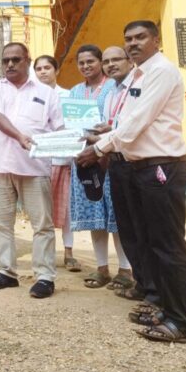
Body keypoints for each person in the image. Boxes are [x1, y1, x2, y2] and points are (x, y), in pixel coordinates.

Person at [78, 21, 186, 343]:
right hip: (139, 166)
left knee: (167, 246)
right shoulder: (139, 76)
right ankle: (163, 307)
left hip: (162, 167)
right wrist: (104, 140)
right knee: (148, 241)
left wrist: (98, 149)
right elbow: (125, 122)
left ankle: (179, 321)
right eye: (128, 38)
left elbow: (137, 123)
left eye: (140, 37)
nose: (133, 43)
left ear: (156, 40)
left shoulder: (162, 72)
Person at [0, 42, 63, 299]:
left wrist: (78, 141)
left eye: (16, 59)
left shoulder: (47, 92)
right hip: (0, 166)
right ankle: (6, 272)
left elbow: (59, 128)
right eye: (5, 60)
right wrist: (20, 136)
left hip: (35, 168)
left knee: (42, 225)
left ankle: (45, 276)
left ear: (28, 60)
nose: (10, 64)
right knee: (0, 223)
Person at [66, 45, 131, 290]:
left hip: (111, 158)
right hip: (84, 160)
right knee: (95, 216)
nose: (86, 66)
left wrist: (102, 142)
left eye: (91, 61)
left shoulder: (115, 88)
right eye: (81, 63)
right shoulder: (74, 91)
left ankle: (125, 269)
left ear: (100, 63)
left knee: (116, 216)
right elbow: (70, 124)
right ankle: (102, 268)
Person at [96, 45, 136, 294]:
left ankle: (139, 278)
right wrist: (105, 131)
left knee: (139, 224)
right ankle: (138, 280)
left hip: (139, 163)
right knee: (126, 223)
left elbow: (133, 125)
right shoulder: (112, 92)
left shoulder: (138, 87)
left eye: (116, 59)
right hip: (116, 162)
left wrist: (98, 147)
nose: (110, 65)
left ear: (129, 61)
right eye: (106, 61)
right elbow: (115, 126)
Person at [33, 54, 77, 271]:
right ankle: (45, 254)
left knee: (66, 208)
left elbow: (74, 125)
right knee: (41, 210)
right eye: (39, 68)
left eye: (47, 67)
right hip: (40, 161)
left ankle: (69, 253)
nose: (43, 72)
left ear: (56, 70)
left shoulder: (68, 96)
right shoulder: (32, 98)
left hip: (64, 159)